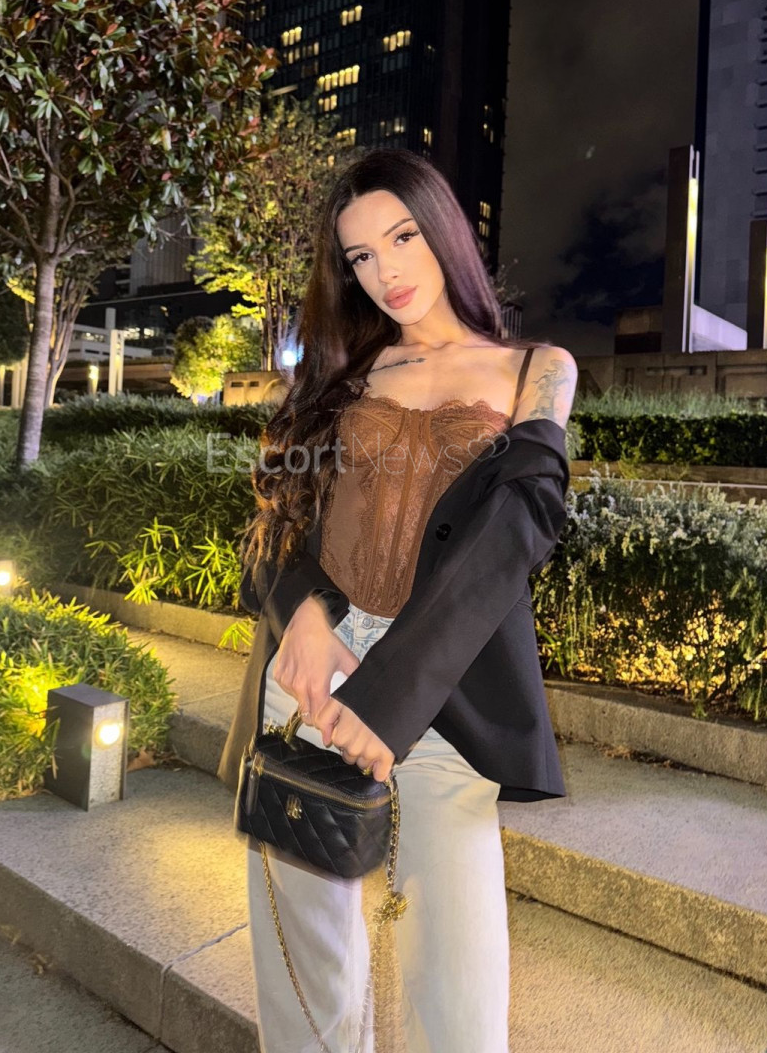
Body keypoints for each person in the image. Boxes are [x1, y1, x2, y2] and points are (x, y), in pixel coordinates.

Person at [220, 147, 577, 1053]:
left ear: (444, 230)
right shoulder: (343, 372)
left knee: (459, 1004)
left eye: (403, 237)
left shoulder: (538, 368)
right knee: (305, 985)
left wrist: (391, 697)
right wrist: (302, 614)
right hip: (313, 678)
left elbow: (521, 527)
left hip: (442, 692)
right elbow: (273, 526)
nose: (386, 271)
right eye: (360, 256)